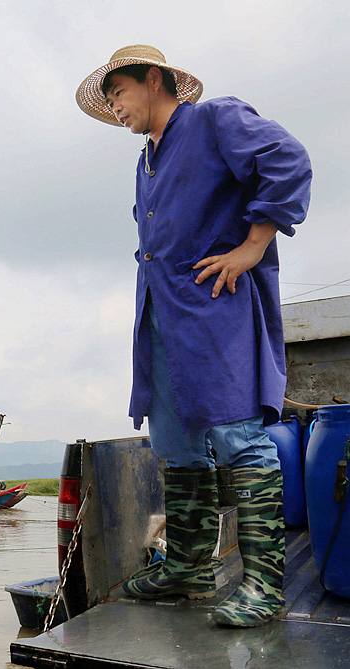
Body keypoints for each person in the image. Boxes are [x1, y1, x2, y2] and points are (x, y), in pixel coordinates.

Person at [76, 45, 311, 627]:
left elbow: (287, 160)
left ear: (154, 80)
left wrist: (252, 246)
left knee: (238, 435)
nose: (115, 107)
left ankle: (264, 587)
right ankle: (188, 568)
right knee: (175, 442)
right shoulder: (145, 161)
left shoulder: (214, 119)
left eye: (119, 93)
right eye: (109, 100)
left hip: (213, 309)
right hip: (160, 316)